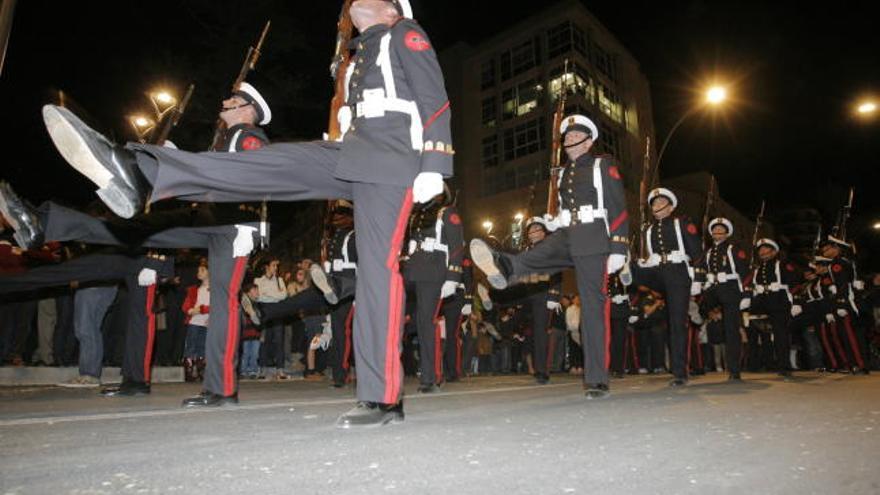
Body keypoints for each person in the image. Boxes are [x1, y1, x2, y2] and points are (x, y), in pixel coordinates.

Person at [42, 0, 450, 427]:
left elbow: (434, 98)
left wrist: (435, 164)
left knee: (376, 275)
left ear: (391, 8)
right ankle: (140, 170)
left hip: (391, 161)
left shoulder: (405, 32)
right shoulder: (359, 55)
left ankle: (382, 397)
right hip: (352, 152)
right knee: (266, 164)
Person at [470, 113, 629, 399]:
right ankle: (505, 266)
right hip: (568, 233)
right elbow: (568, 209)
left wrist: (619, 246)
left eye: (573, 137)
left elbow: (618, 206)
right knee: (537, 254)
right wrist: (555, 222)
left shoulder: (602, 165)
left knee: (592, 310)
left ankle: (597, 379)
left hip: (594, 237)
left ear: (588, 140)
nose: (567, 141)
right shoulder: (564, 172)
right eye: (565, 137)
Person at [632, 187, 702, 386]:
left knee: (676, 322)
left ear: (671, 207)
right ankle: (630, 276)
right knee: (633, 266)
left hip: (678, 272)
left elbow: (697, 252)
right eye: (654, 204)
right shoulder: (649, 229)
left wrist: (698, 279)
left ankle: (680, 372)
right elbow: (652, 256)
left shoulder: (682, 223)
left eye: (661, 203)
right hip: (657, 271)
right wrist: (642, 265)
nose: (657, 206)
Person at [401, 184, 464, 392]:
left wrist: (453, 277)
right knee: (415, 324)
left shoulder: (446, 212)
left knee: (426, 324)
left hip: (434, 273)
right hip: (413, 272)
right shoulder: (416, 215)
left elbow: (456, 246)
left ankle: (431, 377)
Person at [697, 217, 749, 381]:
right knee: (696, 310)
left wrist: (746, 294)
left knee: (731, 330)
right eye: (715, 230)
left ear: (727, 233)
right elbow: (701, 270)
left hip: (730, 289)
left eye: (721, 230)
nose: (717, 232)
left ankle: (734, 370)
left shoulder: (734, 249)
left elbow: (745, 272)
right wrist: (703, 282)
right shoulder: (708, 252)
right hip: (713, 290)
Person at [742, 238, 799, 379]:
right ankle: (758, 363)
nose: (762, 252)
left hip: (778, 299)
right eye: (760, 250)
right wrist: (748, 297)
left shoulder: (783, 264)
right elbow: (749, 284)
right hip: (761, 301)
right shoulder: (757, 269)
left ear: (774, 251)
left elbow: (795, 282)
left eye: (766, 249)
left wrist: (796, 301)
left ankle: (784, 366)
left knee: (781, 335)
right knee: (753, 331)